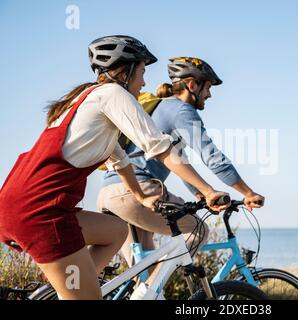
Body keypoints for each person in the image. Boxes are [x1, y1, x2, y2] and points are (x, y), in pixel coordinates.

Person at [0, 37, 229, 300]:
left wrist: (142, 196)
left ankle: (65, 287)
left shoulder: (88, 100)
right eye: (142, 72)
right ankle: (76, 290)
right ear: (124, 72)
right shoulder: (113, 94)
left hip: (21, 205)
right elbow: (159, 147)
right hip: (40, 212)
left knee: (116, 231)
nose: (144, 82)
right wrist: (208, 190)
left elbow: (119, 159)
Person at [97, 56, 264, 268]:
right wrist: (248, 193)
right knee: (198, 230)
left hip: (109, 193)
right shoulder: (182, 111)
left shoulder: (161, 108)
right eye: (208, 87)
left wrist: (202, 195)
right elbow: (212, 157)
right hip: (136, 192)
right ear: (192, 84)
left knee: (145, 274)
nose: (209, 94)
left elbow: (178, 161)